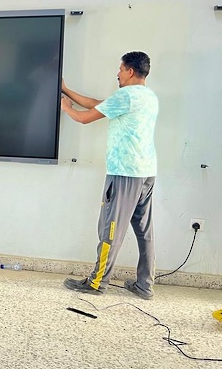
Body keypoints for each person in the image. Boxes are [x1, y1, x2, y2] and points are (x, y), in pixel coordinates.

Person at [61, 51, 158, 300]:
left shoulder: (126, 96)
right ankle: (145, 285)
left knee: (110, 230)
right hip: (146, 173)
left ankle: (97, 283)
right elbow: (97, 104)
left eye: (121, 69)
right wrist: (67, 90)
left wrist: (67, 108)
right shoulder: (148, 96)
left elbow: (85, 118)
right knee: (144, 231)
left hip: (124, 173)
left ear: (130, 71)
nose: (118, 73)